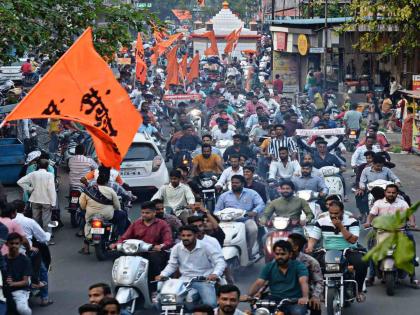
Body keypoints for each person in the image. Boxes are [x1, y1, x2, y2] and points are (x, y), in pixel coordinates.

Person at [306, 200, 367, 302]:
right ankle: (314, 291)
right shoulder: (321, 221)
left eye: (336, 213)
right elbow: (313, 238)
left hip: (348, 250)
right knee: (307, 264)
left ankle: (359, 290)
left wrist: (340, 226)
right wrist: (310, 247)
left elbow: (353, 240)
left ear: (342, 212)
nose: (333, 216)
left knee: (362, 263)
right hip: (327, 250)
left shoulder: (352, 221)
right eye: (331, 213)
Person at [156, 225, 226, 308]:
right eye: (183, 235)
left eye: (189, 235)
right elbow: (172, 265)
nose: (185, 238)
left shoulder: (206, 246)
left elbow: (220, 261)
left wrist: (215, 274)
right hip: (183, 280)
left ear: (196, 236)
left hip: (203, 280)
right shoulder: (177, 248)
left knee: (210, 304)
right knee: (161, 302)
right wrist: (163, 275)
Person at [111, 201, 173, 289]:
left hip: (154, 252)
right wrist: (117, 244)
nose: (144, 215)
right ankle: (121, 281)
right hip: (136, 251)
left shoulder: (162, 224)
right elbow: (125, 237)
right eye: (143, 212)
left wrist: (160, 246)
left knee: (154, 260)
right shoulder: (136, 223)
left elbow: (168, 241)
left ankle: (155, 285)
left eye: (147, 213)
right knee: (117, 257)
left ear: (154, 213)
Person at [247, 240, 309, 315]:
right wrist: (248, 296)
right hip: (274, 299)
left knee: (298, 313)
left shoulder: (299, 266)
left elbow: (303, 282)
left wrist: (305, 297)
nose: (279, 256)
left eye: (283, 254)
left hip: (294, 300)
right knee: (257, 311)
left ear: (290, 254)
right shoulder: (269, 267)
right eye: (277, 254)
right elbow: (259, 282)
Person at [11, 200, 52, 305]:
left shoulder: (5, 222)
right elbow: (42, 238)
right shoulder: (28, 221)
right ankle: (44, 297)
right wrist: (47, 234)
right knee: (42, 269)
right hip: (25, 252)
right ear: (24, 209)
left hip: (7, 254)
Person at [215, 175, 265, 256]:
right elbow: (216, 210)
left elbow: (261, 204)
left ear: (242, 184)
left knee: (253, 229)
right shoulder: (224, 196)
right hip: (228, 222)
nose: (234, 184)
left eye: (237, 183)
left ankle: (249, 249)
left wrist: (254, 211)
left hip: (246, 220)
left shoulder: (251, 193)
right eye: (233, 183)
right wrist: (219, 215)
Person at [78, 168, 121, 254]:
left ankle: (86, 246)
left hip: (91, 214)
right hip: (108, 215)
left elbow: (82, 204)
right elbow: (117, 205)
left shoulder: (89, 187)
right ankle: (119, 239)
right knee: (122, 216)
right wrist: (116, 209)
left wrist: (86, 208)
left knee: (86, 222)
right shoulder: (112, 188)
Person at [17, 159, 57, 233]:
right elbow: (51, 189)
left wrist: (29, 189)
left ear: (38, 165)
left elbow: (19, 182)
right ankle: (46, 239)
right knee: (46, 220)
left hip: (35, 200)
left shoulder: (33, 174)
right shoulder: (50, 175)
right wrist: (53, 203)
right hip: (46, 201)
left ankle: (36, 237)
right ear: (47, 166)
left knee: (35, 220)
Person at [287, 234, 323, 315]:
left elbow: (319, 282)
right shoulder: (280, 259)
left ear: (295, 248)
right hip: (283, 293)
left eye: (288, 244)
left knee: (316, 306)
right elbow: (267, 278)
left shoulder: (310, 261)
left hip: (304, 294)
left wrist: (315, 296)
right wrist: (260, 291)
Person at [5, 233, 32, 315]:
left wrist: (12, 284)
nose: (14, 246)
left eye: (17, 243)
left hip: (19, 291)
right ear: (7, 244)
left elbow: (25, 282)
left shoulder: (25, 260)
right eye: (11, 243)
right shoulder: (3, 259)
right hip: (3, 291)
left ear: (20, 244)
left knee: (23, 310)